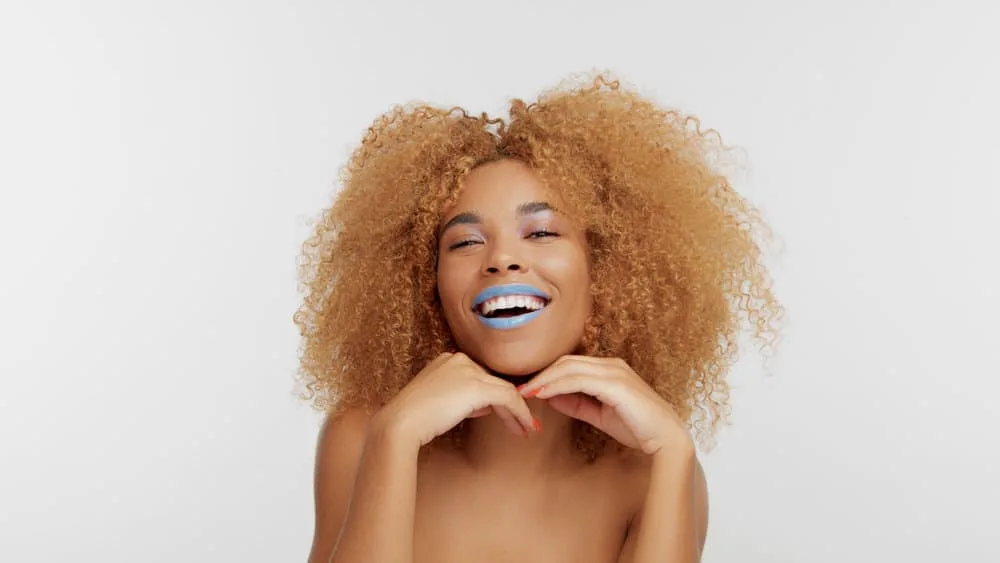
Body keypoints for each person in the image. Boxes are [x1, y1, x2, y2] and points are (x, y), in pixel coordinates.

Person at [293, 73, 782, 563]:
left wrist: (675, 452)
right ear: (427, 285)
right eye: (464, 242)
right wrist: (394, 439)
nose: (502, 259)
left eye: (543, 233)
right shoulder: (366, 433)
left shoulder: (653, 470)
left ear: (606, 271)